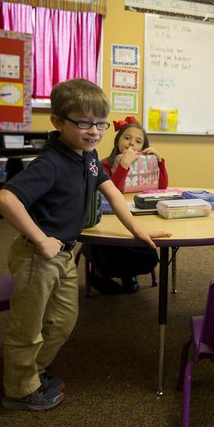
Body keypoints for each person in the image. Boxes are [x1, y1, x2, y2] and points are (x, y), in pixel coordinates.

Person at [0, 79, 171, 411]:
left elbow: (113, 193)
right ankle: (19, 389)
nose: (94, 131)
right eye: (83, 122)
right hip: (37, 256)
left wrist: (137, 229)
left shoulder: (87, 156)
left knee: (62, 319)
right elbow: (6, 199)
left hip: (62, 255)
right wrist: (40, 238)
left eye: (100, 123)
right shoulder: (52, 161)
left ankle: (33, 371)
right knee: (28, 327)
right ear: (58, 121)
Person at [82, 116, 168, 295]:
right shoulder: (104, 164)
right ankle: (100, 272)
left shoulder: (146, 164)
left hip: (137, 213)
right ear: (117, 140)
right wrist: (123, 165)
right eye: (127, 138)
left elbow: (162, 186)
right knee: (113, 241)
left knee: (144, 245)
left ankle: (130, 273)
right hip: (110, 216)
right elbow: (111, 191)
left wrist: (159, 162)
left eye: (138, 141)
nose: (132, 144)